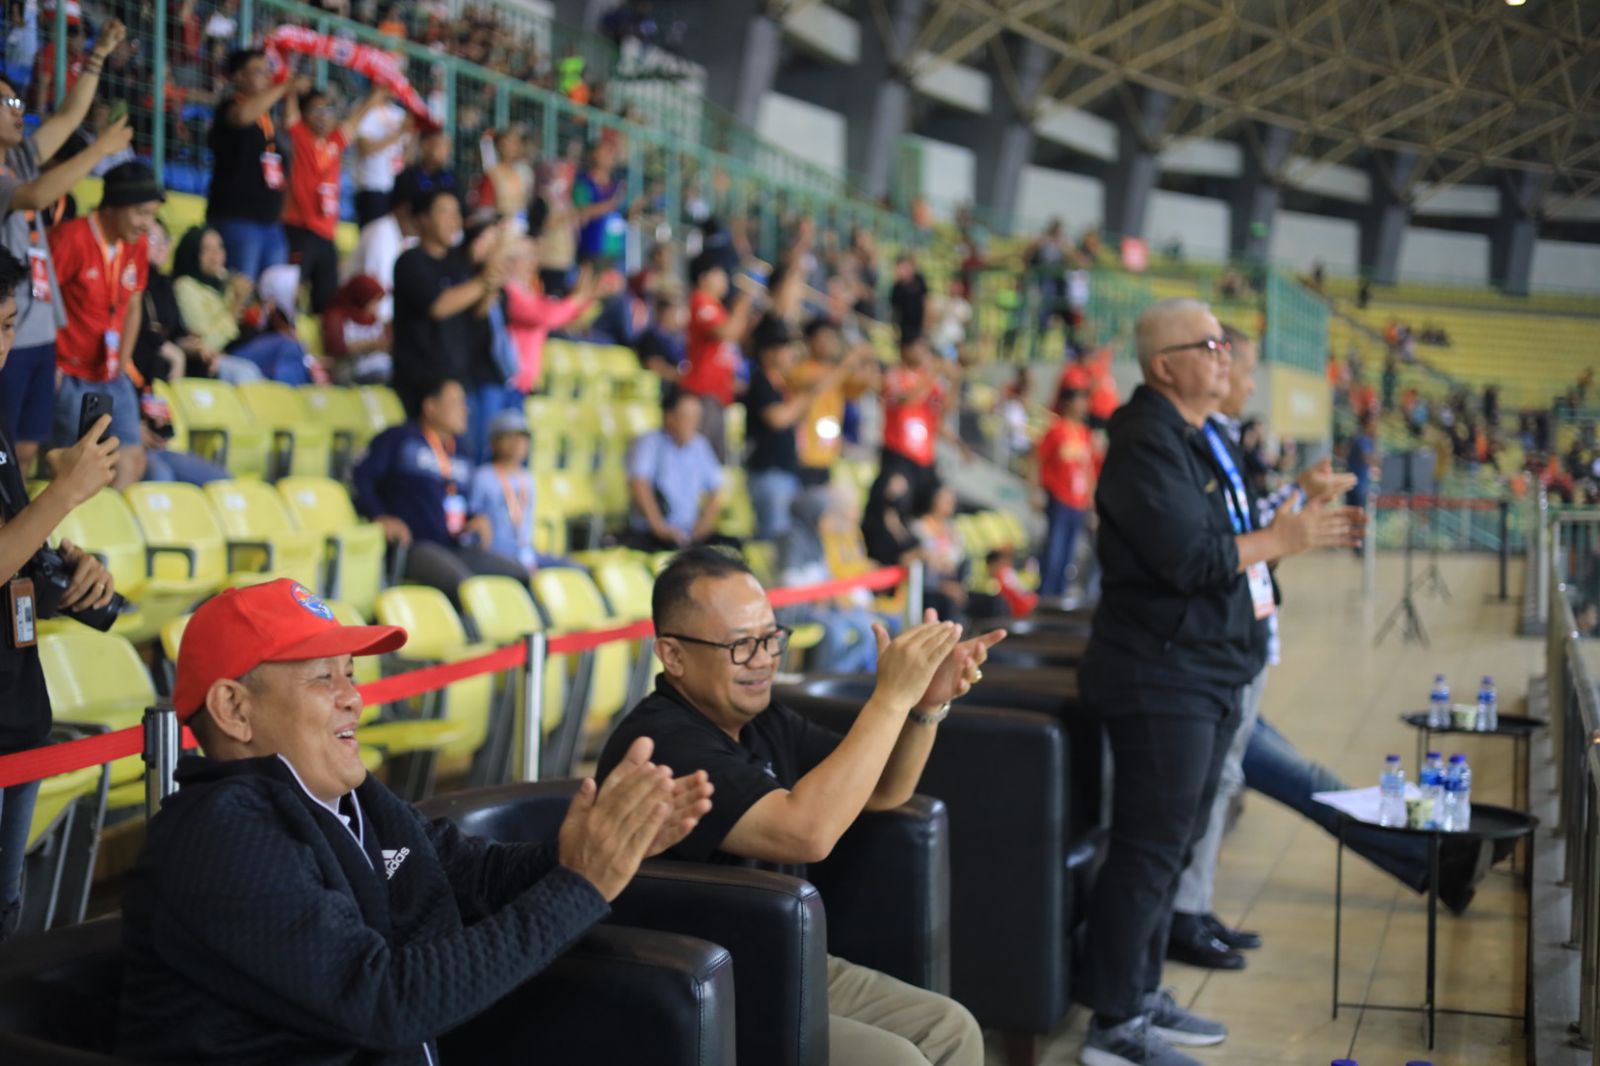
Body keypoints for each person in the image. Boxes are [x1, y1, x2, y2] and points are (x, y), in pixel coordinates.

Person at [117, 577, 713, 1062]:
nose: (354, 696)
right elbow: (384, 1001)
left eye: (350, 673)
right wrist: (579, 885)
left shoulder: (346, 794)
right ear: (234, 708)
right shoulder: (221, 833)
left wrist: (586, 852)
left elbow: (470, 876)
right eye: (323, 676)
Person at [1075, 298, 1359, 1066]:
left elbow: (1226, 540)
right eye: (1208, 345)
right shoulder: (1143, 443)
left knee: (1178, 842)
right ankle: (1112, 1024)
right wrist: (1284, 534)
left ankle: (1140, 992)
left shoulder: (1199, 436)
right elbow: (1188, 561)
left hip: (1205, 669)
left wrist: (1292, 506)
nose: (1225, 354)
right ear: (1166, 365)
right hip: (1160, 676)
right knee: (1148, 847)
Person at [597, 548, 1003, 1065]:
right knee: (897, 1060)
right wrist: (890, 698)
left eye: (770, 638)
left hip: (786, 959)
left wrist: (925, 705)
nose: (764, 659)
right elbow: (805, 831)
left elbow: (883, 790)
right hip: (703, 985)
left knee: (951, 1028)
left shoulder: (763, 721)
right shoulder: (661, 745)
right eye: (742, 645)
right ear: (672, 655)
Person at [1165, 325, 1358, 971]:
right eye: (1238, 371)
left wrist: (1300, 492)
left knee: (1220, 783)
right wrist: (1292, 521)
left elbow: (1251, 527)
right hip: (1217, 647)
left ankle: (1195, 907)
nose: (1244, 383)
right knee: (1214, 782)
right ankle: (1185, 914)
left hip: (1244, 639)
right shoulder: (1188, 443)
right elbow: (1230, 545)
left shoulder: (1218, 440)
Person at [0, 247, 118, 942]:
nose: (2, 343)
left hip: (18, 714)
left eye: (10, 325)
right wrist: (66, 491)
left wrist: (61, 569)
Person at [0, 19, 129, 474]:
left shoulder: (16, 157)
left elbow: (68, 117)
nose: (18, 110)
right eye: (7, 103)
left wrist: (97, 56)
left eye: (18, 101)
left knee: (29, 451)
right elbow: (36, 196)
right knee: (7, 452)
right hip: (7, 335)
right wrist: (99, 152)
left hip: (40, 331)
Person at [352, 377, 527, 603]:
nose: (466, 410)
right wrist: (380, 515)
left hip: (456, 545)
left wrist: (476, 518)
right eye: (457, 402)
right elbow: (360, 479)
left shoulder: (463, 450)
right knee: (464, 587)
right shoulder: (398, 438)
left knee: (518, 574)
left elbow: (456, 498)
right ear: (430, 406)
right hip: (415, 546)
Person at [48, 160, 162, 489]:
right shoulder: (70, 238)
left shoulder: (136, 245)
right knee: (77, 470)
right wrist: (51, 367)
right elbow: (41, 303)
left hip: (112, 375)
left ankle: (114, 537)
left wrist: (122, 362)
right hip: (68, 375)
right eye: (142, 213)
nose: (148, 225)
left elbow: (134, 303)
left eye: (152, 215)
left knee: (129, 458)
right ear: (113, 206)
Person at [389, 189, 504, 416]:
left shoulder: (459, 263)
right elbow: (438, 307)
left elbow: (476, 313)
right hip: (421, 386)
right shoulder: (410, 262)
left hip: (458, 381)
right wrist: (484, 281)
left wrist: (493, 277)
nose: (454, 220)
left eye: (457, 213)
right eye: (444, 212)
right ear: (422, 219)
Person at [283, 84, 383, 313]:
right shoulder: (299, 136)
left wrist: (377, 91)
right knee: (291, 292)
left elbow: (357, 119)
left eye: (328, 110)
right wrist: (290, 86)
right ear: (304, 114)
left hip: (326, 235)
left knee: (327, 299)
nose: (323, 116)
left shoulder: (334, 142)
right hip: (299, 228)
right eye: (315, 110)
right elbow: (289, 115)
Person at [207, 50, 299, 281]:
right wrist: (282, 87)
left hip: (271, 223)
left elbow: (292, 126)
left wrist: (290, 95)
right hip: (237, 219)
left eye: (269, 71)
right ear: (238, 77)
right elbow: (242, 116)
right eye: (259, 71)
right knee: (239, 291)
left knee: (274, 295)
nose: (267, 77)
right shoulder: (229, 107)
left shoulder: (267, 119)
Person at [465, 408, 569, 573]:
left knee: (575, 570)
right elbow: (471, 517)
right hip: (496, 555)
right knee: (524, 576)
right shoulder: (483, 476)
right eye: (509, 437)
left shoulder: (528, 478)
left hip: (526, 552)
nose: (517, 443)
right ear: (494, 442)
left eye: (522, 438)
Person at [625, 388, 726, 551]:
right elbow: (639, 484)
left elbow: (716, 489)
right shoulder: (649, 443)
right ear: (669, 417)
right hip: (653, 534)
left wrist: (703, 526)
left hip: (689, 533)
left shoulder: (700, 445)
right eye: (687, 417)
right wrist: (659, 527)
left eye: (697, 417)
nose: (695, 423)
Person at [681, 260, 756, 463]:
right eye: (719, 273)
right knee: (699, 460)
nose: (725, 279)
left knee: (714, 465)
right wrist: (742, 306)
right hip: (703, 395)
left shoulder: (718, 307)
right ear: (704, 277)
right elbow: (726, 333)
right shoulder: (701, 300)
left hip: (718, 397)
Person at [1034, 387, 1097, 599]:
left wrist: (1091, 499)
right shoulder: (1056, 430)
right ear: (1069, 403)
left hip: (1079, 502)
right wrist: (1034, 491)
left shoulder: (1085, 434)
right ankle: (1046, 598)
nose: (1084, 405)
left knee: (1069, 554)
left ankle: (1059, 598)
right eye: (1080, 400)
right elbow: (1037, 459)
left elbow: (1089, 469)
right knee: (1054, 552)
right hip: (1059, 498)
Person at [880, 337, 953, 515]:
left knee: (934, 503)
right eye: (918, 346)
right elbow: (907, 400)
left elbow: (944, 410)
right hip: (898, 455)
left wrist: (956, 382)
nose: (923, 352)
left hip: (925, 457)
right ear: (905, 349)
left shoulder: (929, 380)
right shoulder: (894, 375)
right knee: (897, 502)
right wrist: (931, 374)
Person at [353, 87, 411, 226]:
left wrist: (413, 132)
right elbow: (365, 148)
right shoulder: (363, 108)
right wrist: (399, 133)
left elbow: (407, 158)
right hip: (371, 186)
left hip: (396, 188)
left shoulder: (400, 114)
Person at [320, 273, 391, 384]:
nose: (376, 306)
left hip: (374, 367)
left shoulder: (373, 319)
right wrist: (371, 345)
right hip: (347, 370)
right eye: (374, 301)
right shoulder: (336, 316)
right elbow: (337, 348)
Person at [573, 138, 627, 266]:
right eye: (605, 152)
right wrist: (610, 205)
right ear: (593, 155)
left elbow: (624, 215)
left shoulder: (615, 186)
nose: (610, 156)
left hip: (614, 250)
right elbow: (580, 212)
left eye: (611, 153)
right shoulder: (583, 183)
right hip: (591, 249)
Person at [887, 253, 928, 344]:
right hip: (905, 330)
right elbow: (894, 311)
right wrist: (894, 329)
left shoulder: (919, 280)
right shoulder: (897, 288)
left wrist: (925, 327)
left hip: (918, 327)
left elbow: (926, 302)